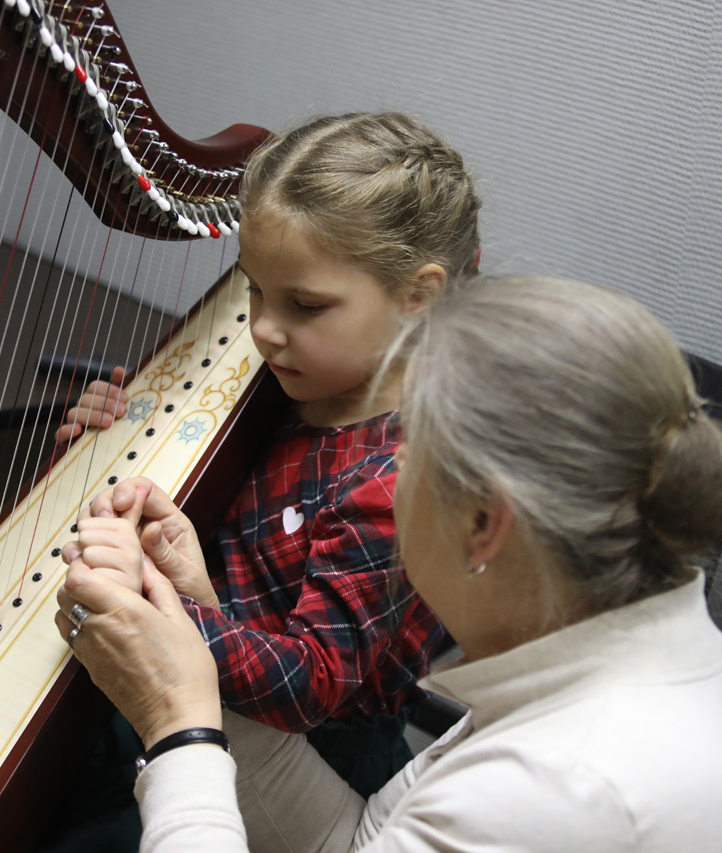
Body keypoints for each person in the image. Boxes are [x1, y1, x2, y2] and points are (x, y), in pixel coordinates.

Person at [57, 274, 722, 851]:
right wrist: (202, 624)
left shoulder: (562, 784)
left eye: (398, 454)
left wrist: (178, 727)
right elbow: (357, 839)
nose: (372, 478)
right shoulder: (605, 652)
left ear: (484, 523)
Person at [54, 112, 482, 815]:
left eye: (304, 305)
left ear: (418, 295)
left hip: (306, 769)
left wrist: (161, 605)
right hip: (200, 694)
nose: (262, 328)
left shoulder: (396, 482)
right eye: (253, 289)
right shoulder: (295, 384)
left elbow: (310, 683)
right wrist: (100, 448)